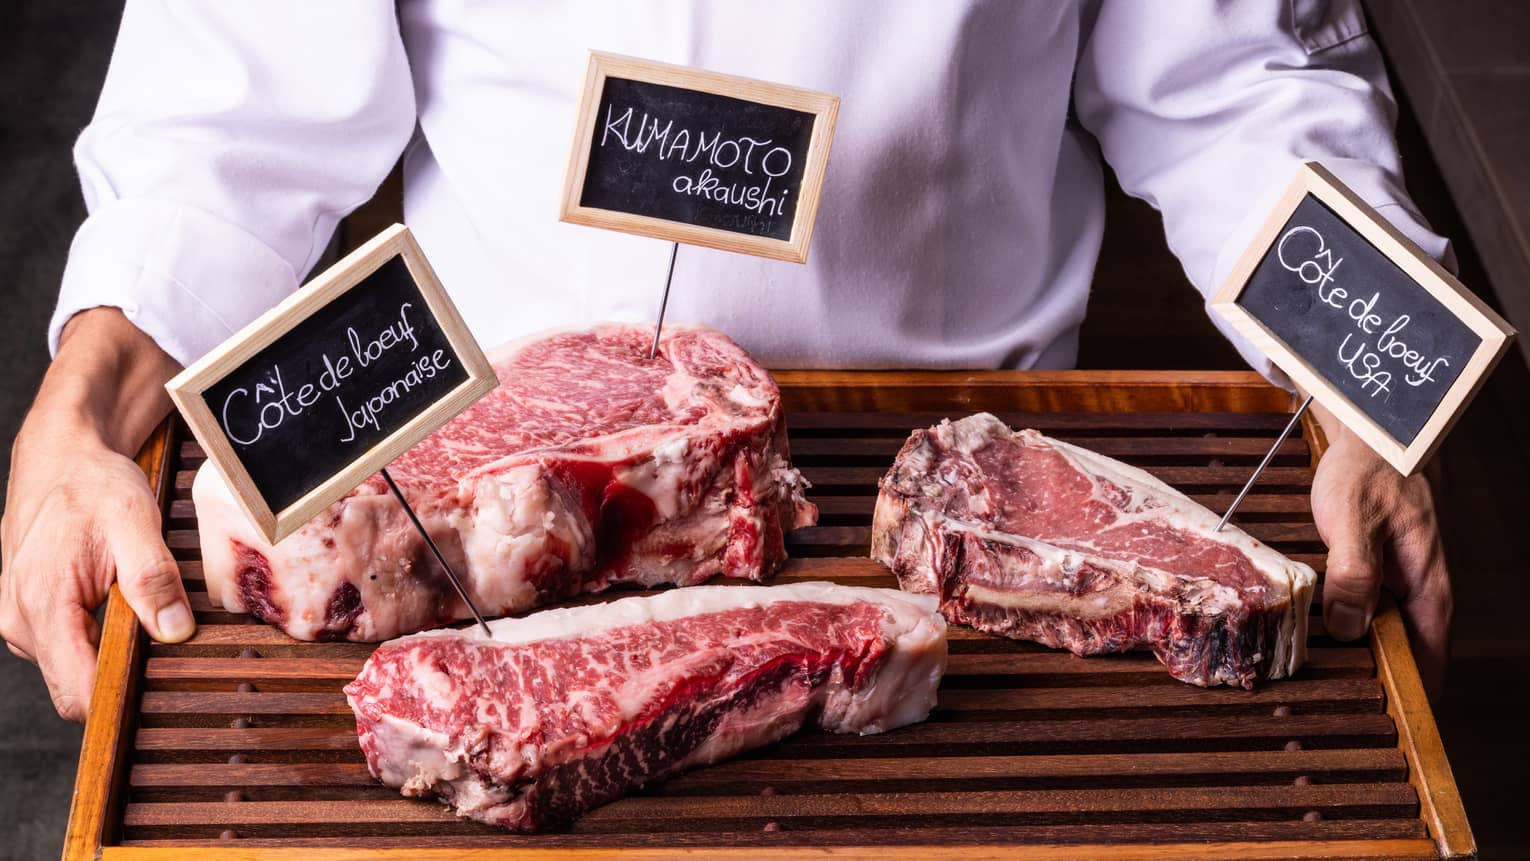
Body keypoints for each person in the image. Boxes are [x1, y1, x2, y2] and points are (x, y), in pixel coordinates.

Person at [1, 2, 1453, 720]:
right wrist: (80, 415)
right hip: (476, 521)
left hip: (971, 527)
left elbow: (1238, 86)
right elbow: (227, 109)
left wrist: (1363, 395)